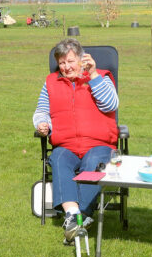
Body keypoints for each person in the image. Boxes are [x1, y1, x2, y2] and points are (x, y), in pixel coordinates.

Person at [33, 38, 119, 244]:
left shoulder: (101, 77)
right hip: (66, 145)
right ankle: (74, 215)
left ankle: (76, 219)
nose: (66, 67)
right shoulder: (51, 83)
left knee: (93, 163)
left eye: (70, 61)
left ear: (81, 60)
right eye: (62, 63)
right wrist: (42, 123)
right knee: (59, 159)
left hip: (98, 143)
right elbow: (42, 111)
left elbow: (111, 104)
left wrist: (94, 75)